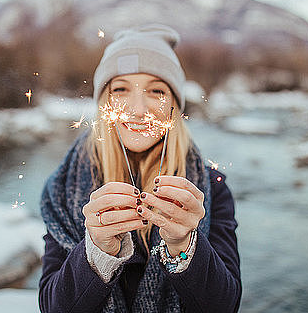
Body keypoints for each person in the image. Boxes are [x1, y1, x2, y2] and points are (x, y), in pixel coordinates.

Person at [39, 24, 242, 313]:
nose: (137, 109)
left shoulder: (212, 187)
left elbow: (225, 306)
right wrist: (96, 250)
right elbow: (52, 308)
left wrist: (185, 245)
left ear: (174, 104)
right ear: (104, 103)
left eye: (156, 90)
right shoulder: (61, 188)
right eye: (120, 89)